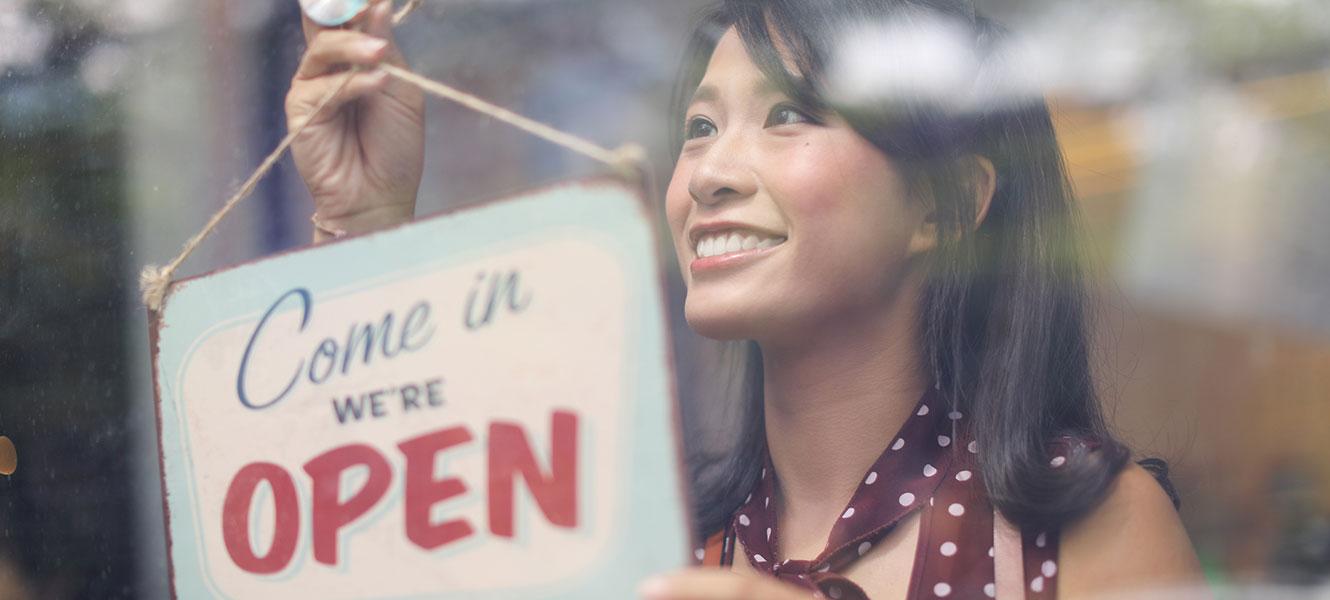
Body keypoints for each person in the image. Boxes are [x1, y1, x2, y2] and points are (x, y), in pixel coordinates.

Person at [286, 0, 1206, 598]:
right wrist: (360, 222)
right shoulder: (640, 536)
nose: (710, 175)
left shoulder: (1093, 530)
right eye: (698, 127)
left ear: (944, 205)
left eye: (789, 115)